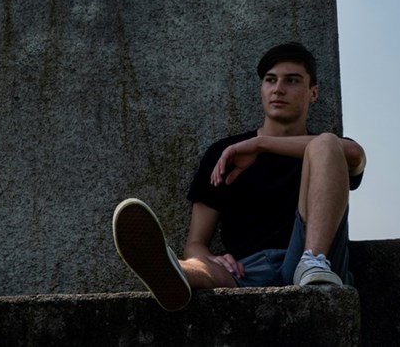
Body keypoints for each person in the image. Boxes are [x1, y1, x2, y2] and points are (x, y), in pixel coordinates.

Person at [112, 42, 366, 311]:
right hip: (247, 270)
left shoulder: (325, 149)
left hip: (316, 260)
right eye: (270, 80)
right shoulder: (225, 154)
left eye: (291, 81)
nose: (278, 89)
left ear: (313, 93)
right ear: (262, 88)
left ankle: (312, 262)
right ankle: (172, 270)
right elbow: (196, 243)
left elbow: (354, 154)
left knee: (326, 143)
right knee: (203, 265)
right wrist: (212, 258)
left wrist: (260, 144)